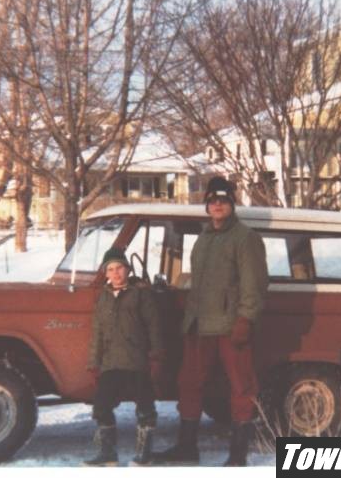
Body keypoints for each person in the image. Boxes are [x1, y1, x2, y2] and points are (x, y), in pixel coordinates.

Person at [155, 176, 268, 466]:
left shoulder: (245, 238)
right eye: (212, 201)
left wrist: (245, 319)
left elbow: (254, 284)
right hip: (199, 324)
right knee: (189, 383)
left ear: (232, 204)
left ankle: (238, 455)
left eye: (223, 200)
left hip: (231, 325)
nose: (217, 205)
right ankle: (186, 447)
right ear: (207, 206)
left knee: (241, 386)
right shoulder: (204, 238)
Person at [84, 247, 164, 467]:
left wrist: (156, 356)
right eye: (110, 269)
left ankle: (144, 455)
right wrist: (93, 363)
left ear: (127, 269)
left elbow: (154, 327)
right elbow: (97, 333)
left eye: (119, 268)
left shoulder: (141, 294)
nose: (116, 273)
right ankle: (108, 455)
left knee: (145, 408)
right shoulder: (103, 298)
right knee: (101, 407)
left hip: (138, 361)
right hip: (111, 363)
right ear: (106, 273)